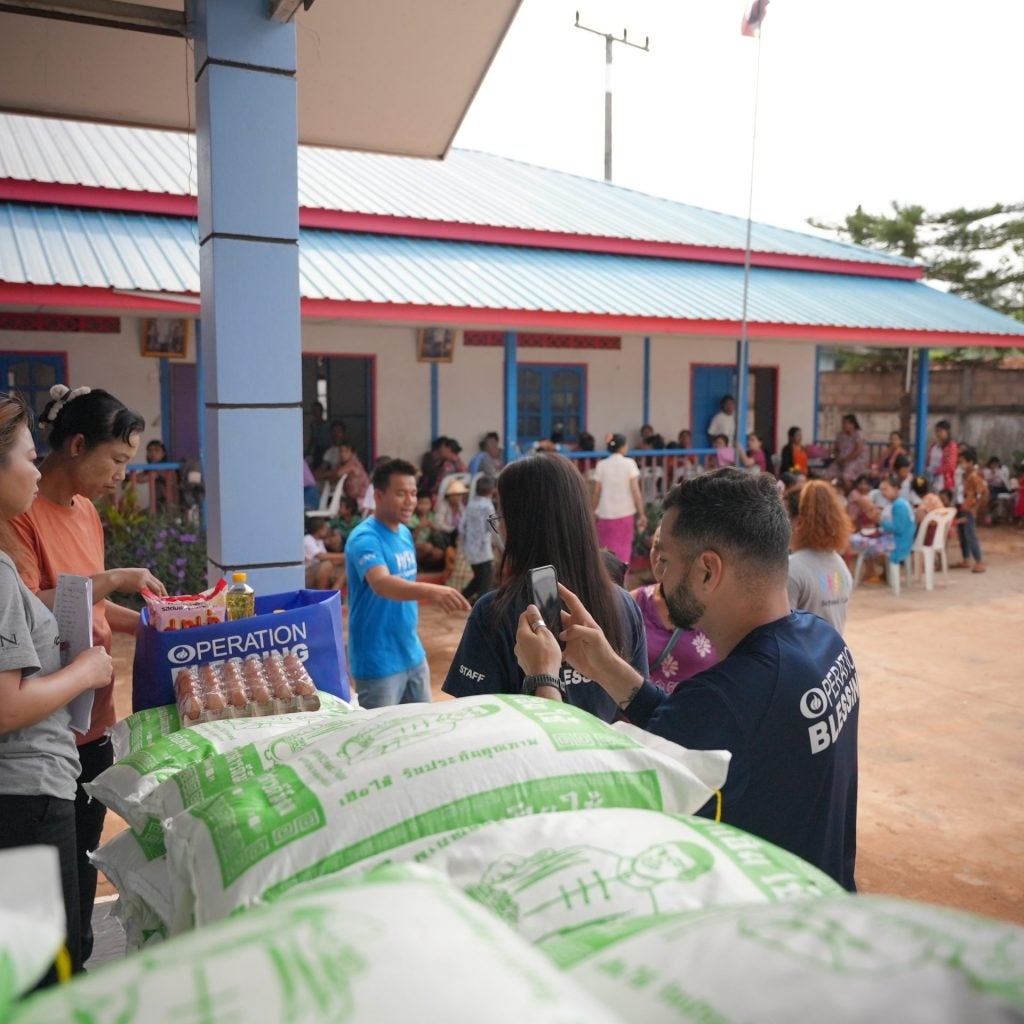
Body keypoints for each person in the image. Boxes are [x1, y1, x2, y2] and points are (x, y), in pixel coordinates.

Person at [512, 469, 859, 891]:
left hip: (760, 927)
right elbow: (694, 730)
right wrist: (605, 664)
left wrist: (543, 677)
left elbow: (577, 797)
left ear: (708, 571)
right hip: (823, 898)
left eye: (667, 561)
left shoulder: (726, 699)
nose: (660, 577)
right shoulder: (822, 642)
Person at [8, 384, 167, 967]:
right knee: (48, 910)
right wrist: (112, 579)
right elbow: (26, 611)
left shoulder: (86, 513)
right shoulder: (18, 517)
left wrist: (157, 623)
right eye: (118, 461)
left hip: (92, 721)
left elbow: (89, 610)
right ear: (76, 445)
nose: (123, 475)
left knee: (78, 872)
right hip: (41, 735)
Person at [0, 394, 115, 984]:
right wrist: (86, 672)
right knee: (42, 963)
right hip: (25, 790)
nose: (37, 468)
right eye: (25, 456)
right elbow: (6, 706)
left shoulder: (82, 517)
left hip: (51, 767)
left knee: (41, 954)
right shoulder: (2, 566)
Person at [443, 453, 647, 722]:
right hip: (606, 762)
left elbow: (476, 722)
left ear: (520, 525)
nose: (500, 527)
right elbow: (634, 712)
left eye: (502, 515)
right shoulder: (625, 603)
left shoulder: (495, 612)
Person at [345, 458, 470, 708]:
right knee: (380, 740)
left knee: (421, 732)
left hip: (412, 653)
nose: (410, 501)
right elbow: (381, 583)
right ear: (379, 496)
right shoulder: (365, 538)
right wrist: (433, 591)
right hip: (377, 660)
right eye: (401, 493)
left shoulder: (403, 533)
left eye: (413, 493)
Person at [630, 526, 717, 694]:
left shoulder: (715, 610)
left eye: (669, 550)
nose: (660, 556)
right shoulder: (634, 603)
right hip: (641, 715)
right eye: (656, 547)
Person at [787, 481, 854, 632]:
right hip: (834, 653)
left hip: (804, 655)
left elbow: (782, 632)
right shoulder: (839, 563)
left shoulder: (792, 569)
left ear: (798, 522)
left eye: (784, 517)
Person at [592, 433, 646, 566]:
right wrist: (641, 513)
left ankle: (605, 580)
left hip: (605, 514)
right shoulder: (629, 464)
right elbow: (636, 491)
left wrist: (592, 511)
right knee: (623, 551)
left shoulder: (601, 465)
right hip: (625, 514)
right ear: (623, 447)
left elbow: (596, 493)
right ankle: (622, 581)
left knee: (605, 551)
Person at [459, 476, 497, 604]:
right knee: (486, 579)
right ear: (492, 491)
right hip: (483, 548)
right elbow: (493, 528)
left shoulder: (471, 505)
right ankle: (482, 605)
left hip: (471, 548)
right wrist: (501, 545)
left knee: (478, 577)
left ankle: (462, 597)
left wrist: (464, 544)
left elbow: (461, 526)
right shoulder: (488, 506)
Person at [952, 446, 988, 573]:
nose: (960, 464)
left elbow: (983, 492)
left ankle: (978, 561)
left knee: (970, 534)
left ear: (970, 462)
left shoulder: (974, 476)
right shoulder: (964, 475)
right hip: (962, 506)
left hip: (968, 508)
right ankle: (966, 559)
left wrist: (976, 507)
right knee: (962, 534)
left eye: (962, 461)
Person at [877, 474, 915, 572]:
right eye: (881, 490)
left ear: (895, 488)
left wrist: (881, 522)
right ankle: (885, 574)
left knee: (865, 546)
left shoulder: (899, 505)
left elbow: (898, 528)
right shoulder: (899, 503)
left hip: (899, 542)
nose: (883, 492)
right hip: (901, 539)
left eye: (885, 489)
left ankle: (883, 573)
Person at [303, 518, 346, 589]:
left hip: (317, 571)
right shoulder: (308, 539)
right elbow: (321, 556)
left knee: (346, 565)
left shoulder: (319, 541)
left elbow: (328, 558)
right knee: (327, 565)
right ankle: (320, 594)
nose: (327, 530)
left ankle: (334, 591)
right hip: (307, 574)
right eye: (325, 528)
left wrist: (344, 559)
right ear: (320, 530)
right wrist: (343, 555)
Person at [830, 414, 869, 491]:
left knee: (846, 477)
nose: (843, 425)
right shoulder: (840, 435)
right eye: (842, 423)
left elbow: (858, 450)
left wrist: (846, 460)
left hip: (855, 461)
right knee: (828, 475)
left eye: (845, 423)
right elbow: (836, 449)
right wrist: (837, 457)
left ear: (852, 424)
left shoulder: (858, 434)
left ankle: (850, 495)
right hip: (840, 461)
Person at [926, 420, 958, 492]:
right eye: (936, 431)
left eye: (940, 431)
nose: (938, 434)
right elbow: (928, 461)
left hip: (944, 482)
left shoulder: (951, 446)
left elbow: (950, 465)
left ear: (947, 431)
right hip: (931, 481)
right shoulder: (933, 446)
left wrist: (936, 471)